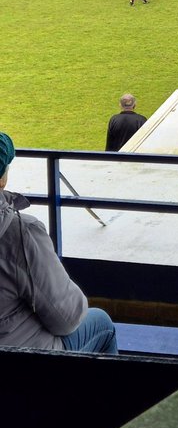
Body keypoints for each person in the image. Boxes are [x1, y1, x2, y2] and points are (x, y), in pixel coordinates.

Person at [0, 132, 118, 353]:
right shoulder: (21, 232)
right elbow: (68, 318)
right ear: (2, 178)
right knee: (101, 323)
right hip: (18, 364)